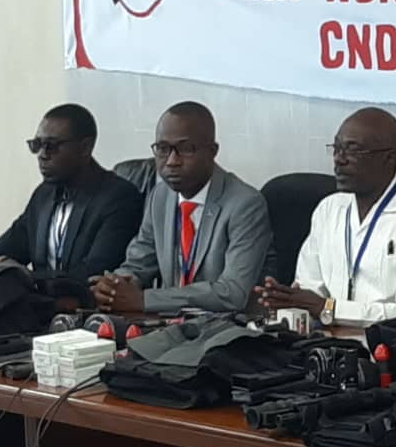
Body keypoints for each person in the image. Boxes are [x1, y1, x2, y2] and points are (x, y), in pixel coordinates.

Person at [255, 107, 396, 327]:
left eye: (353, 150)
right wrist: (288, 300)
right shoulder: (328, 209)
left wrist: (329, 308)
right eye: (337, 148)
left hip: (390, 344)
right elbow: (308, 291)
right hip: (324, 339)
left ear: (389, 158)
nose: (339, 159)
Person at [91, 102, 272, 313]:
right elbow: (138, 264)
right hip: (168, 322)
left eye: (186, 149)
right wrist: (113, 287)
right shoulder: (160, 196)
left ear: (212, 151)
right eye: (162, 149)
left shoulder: (245, 204)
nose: (171, 161)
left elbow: (232, 293)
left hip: (225, 325)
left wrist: (145, 300)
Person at [0, 104, 142, 285]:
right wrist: (1, 268)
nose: (42, 155)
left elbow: (94, 273)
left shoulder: (119, 198)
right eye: (37, 145)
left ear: (85, 148)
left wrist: (25, 276)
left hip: (84, 302)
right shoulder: (43, 195)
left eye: (51, 146)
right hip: (38, 299)